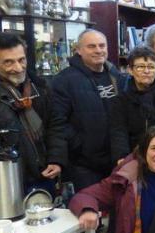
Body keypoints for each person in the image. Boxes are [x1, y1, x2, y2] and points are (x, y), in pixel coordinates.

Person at [0, 32, 66, 207]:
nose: (18, 67)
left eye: (21, 60)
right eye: (8, 62)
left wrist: (57, 158)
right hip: (4, 184)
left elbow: (55, 124)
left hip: (44, 175)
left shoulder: (38, 85)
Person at [52, 29, 127, 191]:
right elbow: (58, 122)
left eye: (102, 45)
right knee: (89, 209)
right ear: (78, 50)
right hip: (84, 165)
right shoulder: (64, 81)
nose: (98, 50)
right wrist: (78, 145)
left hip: (116, 161)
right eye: (91, 46)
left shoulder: (118, 77)